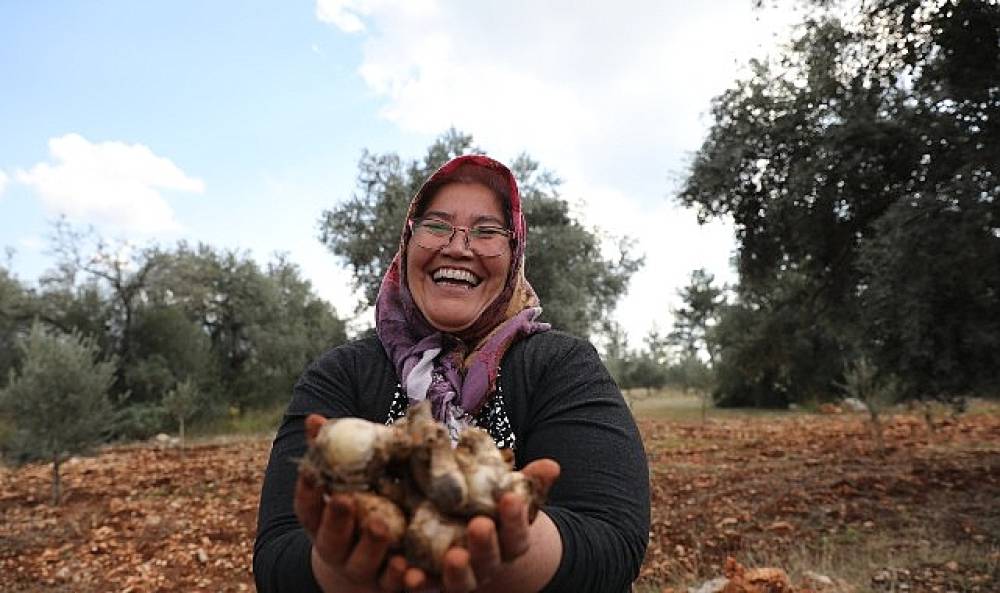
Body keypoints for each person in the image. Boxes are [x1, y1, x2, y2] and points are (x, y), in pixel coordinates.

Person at [253, 155, 650, 593]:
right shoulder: (341, 373)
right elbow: (277, 556)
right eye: (437, 226)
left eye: (487, 232)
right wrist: (341, 570)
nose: (458, 247)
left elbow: (614, 540)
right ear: (408, 241)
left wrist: (513, 556)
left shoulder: (560, 364)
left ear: (514, 252)